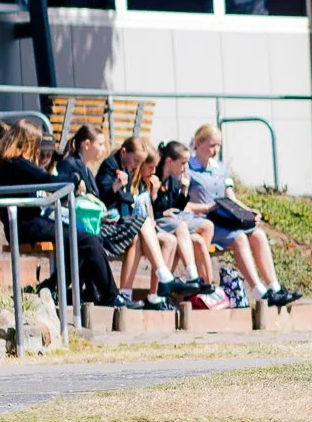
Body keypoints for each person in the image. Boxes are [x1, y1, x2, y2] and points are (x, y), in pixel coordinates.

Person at [0, 120, 117, 308]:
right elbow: (47, 179)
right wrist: (74, 179)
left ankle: (51, 287)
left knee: (87, 240)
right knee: (87, 241)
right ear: (27, 142)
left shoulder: (7, 165)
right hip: (26, 226)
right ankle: (110, 296)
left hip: (26, 223)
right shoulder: (17, 165)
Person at [186, 123, 300, 308]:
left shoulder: (219, 168)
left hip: (224, 219)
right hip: (206, 223)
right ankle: (260, 292)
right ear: (198, 143)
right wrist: (207, 207)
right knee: (239, 238)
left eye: (219, 145)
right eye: (212, 145)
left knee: (258, 235)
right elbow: (182, 203)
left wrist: (247, 211)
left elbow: (230, 196)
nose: (216, 150)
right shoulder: (188, 168)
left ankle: (275, 287)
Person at [96, 134, 199, 304]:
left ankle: (155, 295)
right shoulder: (112, 166)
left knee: (169, 241)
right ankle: (162, 278)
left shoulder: (130, 170)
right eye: (137, 162)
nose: (136, 166)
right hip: (111, 224)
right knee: (142, 225)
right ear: (124, 152)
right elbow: (105, 196)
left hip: (128, 224)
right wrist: (117, 186)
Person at [150, 142, 228, 302]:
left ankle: (204, 282)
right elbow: (152, 208)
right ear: (170, 162)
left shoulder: (172, 180)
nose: (186, 168)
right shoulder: (155, 177)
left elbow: (176, 206)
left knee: (202, 232)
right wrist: (161, 207)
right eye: (183, 163)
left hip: (171, 221)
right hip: (159, 223)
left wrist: (184, 191)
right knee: (181, 226)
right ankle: (192, 276)